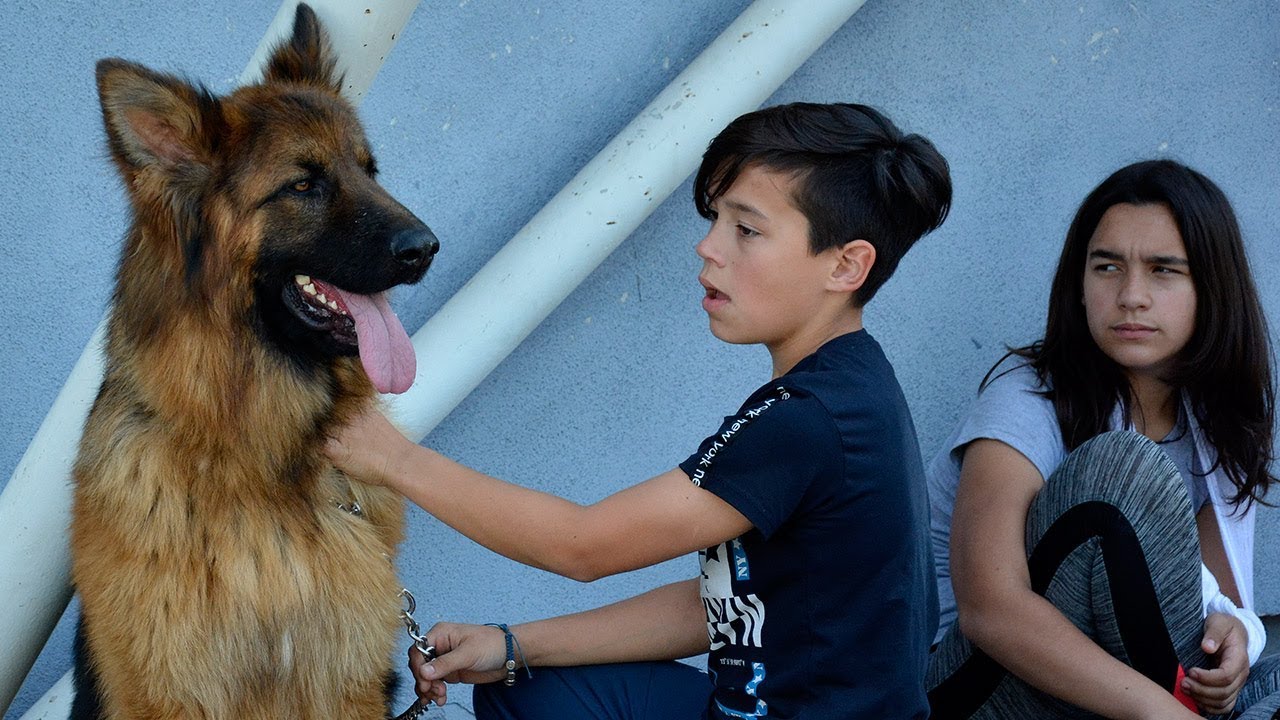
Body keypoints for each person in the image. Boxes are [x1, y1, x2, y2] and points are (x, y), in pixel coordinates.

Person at [324, 102, 952, 719]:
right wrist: (514, 645)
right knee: (527, 685)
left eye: (747, 229)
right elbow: (725, 606)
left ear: (847, 265)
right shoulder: (852, 384)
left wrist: (393, 458)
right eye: (715, 220)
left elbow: (584, 545)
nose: (708, 247)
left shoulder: (811, 418)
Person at [925, 159, 1280, 720]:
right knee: (1125, 469)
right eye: (1108, 266)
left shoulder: (1213, 421)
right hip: (979, 687)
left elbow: (1209, 602)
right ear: (1080, 284)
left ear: (1213, 288)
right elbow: (989, 610)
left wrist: (1234, 638)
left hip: (1126, 682)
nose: (1131, 295)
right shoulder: (1028, 400)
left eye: (1164, 270)